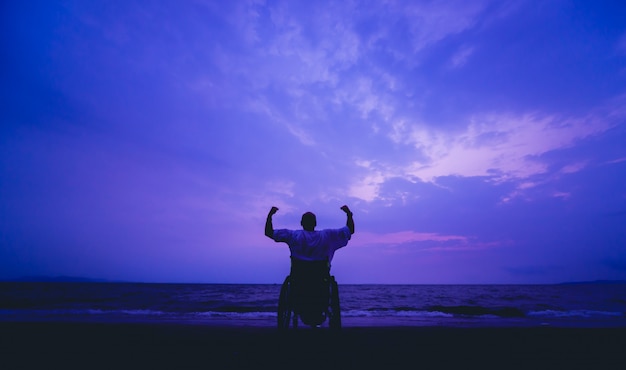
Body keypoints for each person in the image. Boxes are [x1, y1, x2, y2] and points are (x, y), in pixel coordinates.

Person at [265, 205, 355, 264]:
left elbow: (268, 232)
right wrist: (349, 214)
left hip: (298, 281)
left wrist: (270, 216)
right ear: (315, 223)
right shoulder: (327, 236)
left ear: (301, 223)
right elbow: (350, 230)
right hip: (321, 280)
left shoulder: (293, 236)